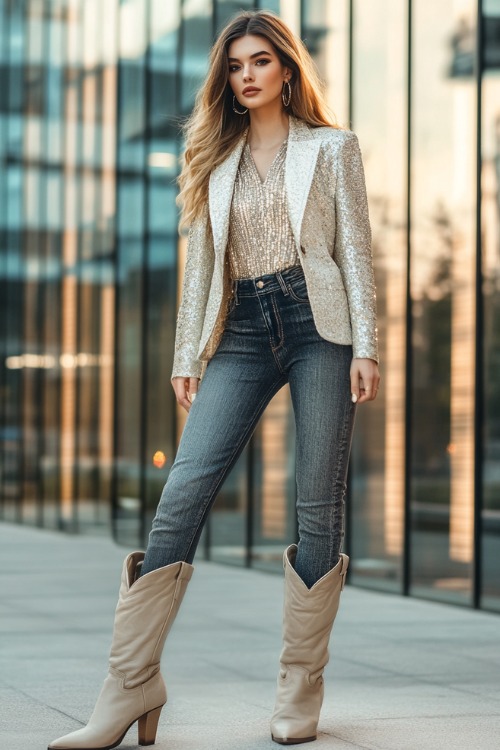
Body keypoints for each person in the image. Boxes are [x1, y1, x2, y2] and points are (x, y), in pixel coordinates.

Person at [48, 9, 380, 750]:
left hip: (318, 327)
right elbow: (201, 270)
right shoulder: (212, 161)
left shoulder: (332, 149)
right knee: (183, 493)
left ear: (287, 71)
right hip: (239, 332)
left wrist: (368, 344)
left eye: (261, 62)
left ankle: (301, 684)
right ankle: (130, 683)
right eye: (235, 66)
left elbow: (355, 251)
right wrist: (182, 357)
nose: (247, 76)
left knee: (317, 503)